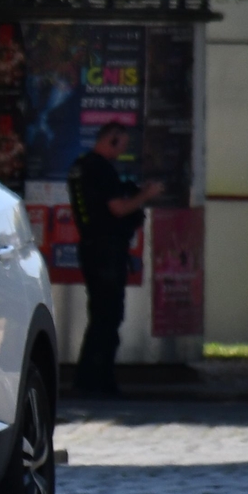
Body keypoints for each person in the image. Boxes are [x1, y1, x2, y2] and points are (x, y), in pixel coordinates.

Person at [68, 120, 163, 395]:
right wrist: (146, 194)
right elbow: (118, 208)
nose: (122, 152)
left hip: (92, 246)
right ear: (110, 140)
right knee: (108, 317)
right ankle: (97, 381)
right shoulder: (100, 168)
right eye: (121, 145)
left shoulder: (81, 166)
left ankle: (90, 379)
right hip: (106, 250)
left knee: (100, 315)